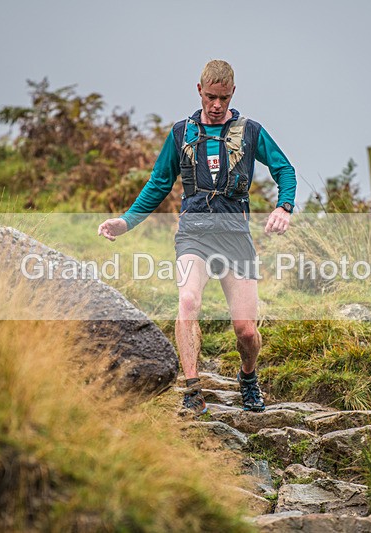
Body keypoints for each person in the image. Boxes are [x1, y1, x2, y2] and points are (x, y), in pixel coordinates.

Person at [97, 59, 296, 415]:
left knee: (246, 330)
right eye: (210, 97)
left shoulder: (251, 131)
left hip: (235, 237)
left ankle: (248, 377)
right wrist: (126, 222)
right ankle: (192, 389)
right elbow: (159, 183)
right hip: (193, 235)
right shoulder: (181, 133)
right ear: (199, 91)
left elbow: (284, 169)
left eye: (223, 98)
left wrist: (284, 206)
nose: (216, 105)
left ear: (233, 93)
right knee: (188, 301)